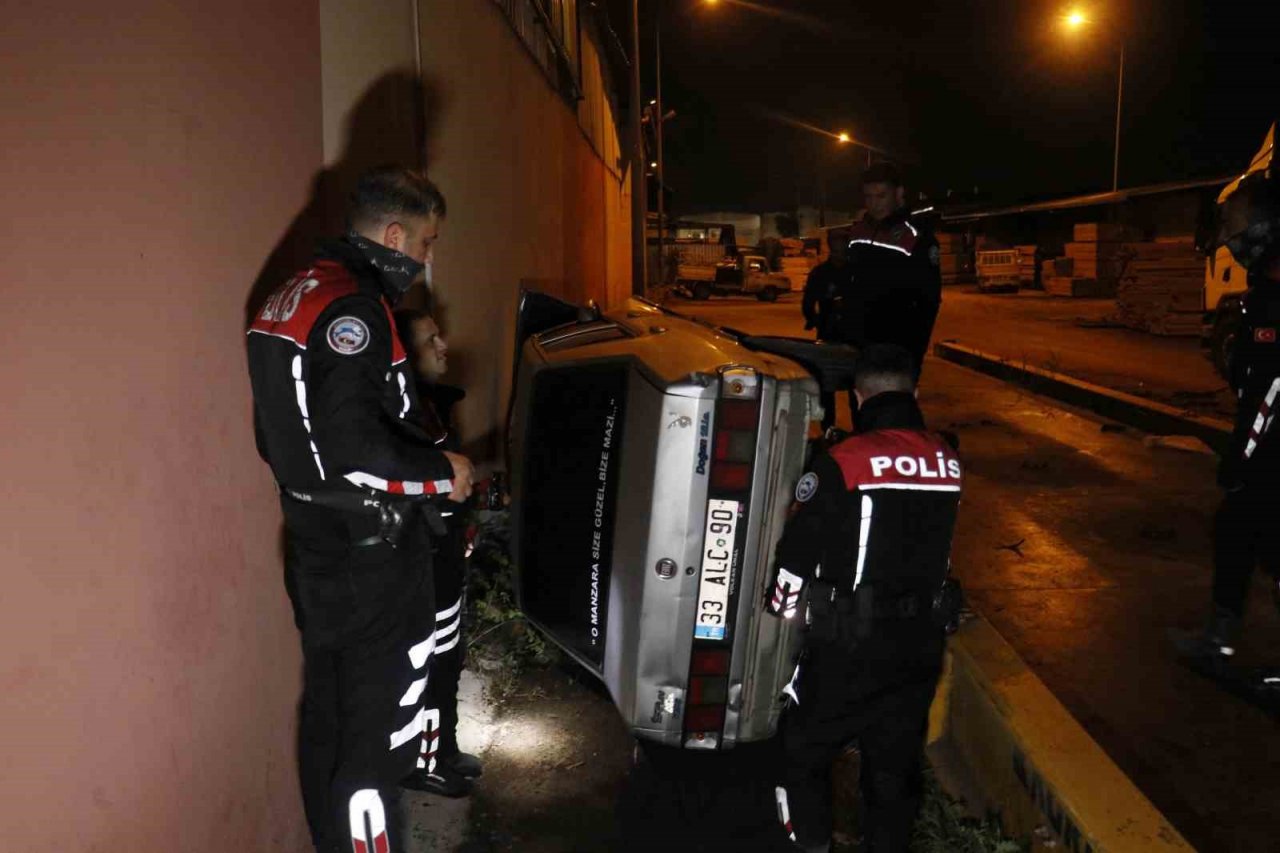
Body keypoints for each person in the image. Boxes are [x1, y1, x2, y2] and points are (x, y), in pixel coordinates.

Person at [246, 166, 474, 853]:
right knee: (375, 749)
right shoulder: (354, 307)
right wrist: (442, 474)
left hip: (316, 543)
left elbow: (276, 432)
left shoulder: (289, 293)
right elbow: (352, 445)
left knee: (329, 723)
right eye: (427, 243)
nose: (426, 259)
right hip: (370, 556)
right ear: (396, 234)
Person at [766, 344, 963, 853]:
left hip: (849, 648)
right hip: (920, 648)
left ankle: (812, 844)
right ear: (914, 392)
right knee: (893, 772)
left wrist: (779, 617)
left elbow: (796, 555)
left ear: (858, 398)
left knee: (801, 753)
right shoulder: (947, 460)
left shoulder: (844, 462)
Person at [1174, 169, 1280, 674]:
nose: (1230, 242)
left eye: (1237, 228)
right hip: (1265, 453)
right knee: (1235, 533)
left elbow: (1271, 392)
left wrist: (1242, 458)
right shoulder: (1263, 288)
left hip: (1270, 457)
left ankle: (1221, 643)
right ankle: (1220, 640)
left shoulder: (1276, 296)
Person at [394, 307, 485, 797]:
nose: (444, 346)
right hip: (424, 562)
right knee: (428, 665)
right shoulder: (404, 415)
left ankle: (443, 750)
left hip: (446, 556)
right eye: (431, 341)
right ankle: (424, 763)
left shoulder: (431, 405)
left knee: (448, 658)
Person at [842, 163, 942, 376]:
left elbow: (928, 301)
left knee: (892, 408)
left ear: (899, 193)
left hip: (897, 351)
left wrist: (914, 353)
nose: (874, 204)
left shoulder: (916, 238)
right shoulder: (857, 233)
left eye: (881, 196)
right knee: (860, 407)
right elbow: (849, 285)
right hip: (859, 348)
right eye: (868, 197)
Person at [803, 229, 855, 430]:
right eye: (836, 243)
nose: (839, 247)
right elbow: (808, 302)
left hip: (853, 335)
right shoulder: (820, 273)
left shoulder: (856, 272)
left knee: (855, 384)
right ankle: (828, 429)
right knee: (827, 385)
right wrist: (813, 319)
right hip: (829, 335)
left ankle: (858, 428)